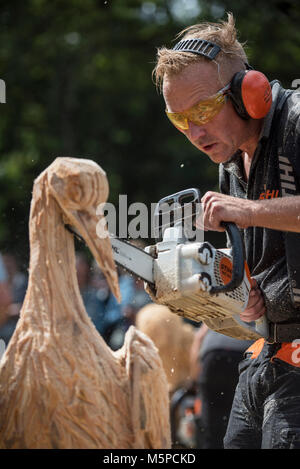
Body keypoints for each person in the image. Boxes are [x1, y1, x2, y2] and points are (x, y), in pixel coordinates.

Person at [152, 13, 300, 449]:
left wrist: (250, 210)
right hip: (269, 355)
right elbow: (272, 258)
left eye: (202, 110)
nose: (194, 133)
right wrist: (249, 291)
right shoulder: (231, 163)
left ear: (246, 94)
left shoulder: (296, 122)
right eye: (180, 120)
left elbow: (256, 214)